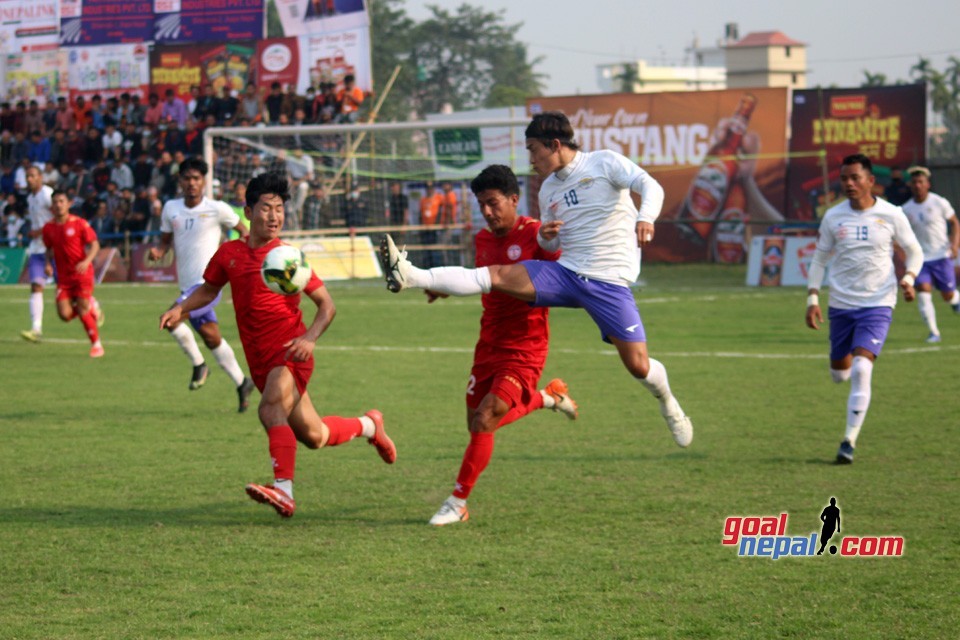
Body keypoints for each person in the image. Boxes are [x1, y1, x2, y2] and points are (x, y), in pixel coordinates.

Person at [380, 111, 693, 449]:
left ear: (554, 145)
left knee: (637, 365)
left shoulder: (604, 163)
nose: (530, 160)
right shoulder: (548, 191)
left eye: (532, 150)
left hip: (608, 282)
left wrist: (646, 217)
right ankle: (411, 274)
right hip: (568, 272)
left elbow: (650, 185)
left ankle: (669, 404)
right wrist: (546, 237)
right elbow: (550, 246)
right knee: (496, 275)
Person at [159, 172, 396, 518]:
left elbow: (327, 305)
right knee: (314, 436)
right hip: (258, 359)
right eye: (267, 208)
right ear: (249, 212)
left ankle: (284, 491)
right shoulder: (230, 254)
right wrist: (180, 307)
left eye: (280, 209)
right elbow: (209, 289)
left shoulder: (288, 257)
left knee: (269, 409)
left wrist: (309, 338)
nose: (274, 216)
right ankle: (370, 425)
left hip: (291, 352)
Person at [427, 165, 579, 526]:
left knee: (485, 418)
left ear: (514, 199)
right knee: (477, 425)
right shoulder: (482, 239)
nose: (488, 212)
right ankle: (546, 398)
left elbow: (559, 269)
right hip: (488, 343)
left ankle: (457, 502)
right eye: (481, 205)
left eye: (493, 203)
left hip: (526, 346)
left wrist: (551, 242)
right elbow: (479, 277)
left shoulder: (535, 234)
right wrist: (443, 287)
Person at [805, 154, 924, 464]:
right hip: (841, 305)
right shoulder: (833, 216)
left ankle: (848, 441)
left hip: (878, 303)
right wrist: (813, 298)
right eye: (844, 178)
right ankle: (842, 377)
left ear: (871, 181)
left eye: (855, 178)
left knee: (861, 368)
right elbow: (819, 258)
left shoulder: (891, 214)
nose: (849, 183)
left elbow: (914, 251)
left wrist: (909, 278)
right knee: (839, 374)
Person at [149, 157, 255, 412]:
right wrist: (159, 251)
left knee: (171, 319)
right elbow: (165, 241)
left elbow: (245, 233)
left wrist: (236, 257)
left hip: (208, 285)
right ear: (180, 181)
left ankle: (199, 365)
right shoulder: (171, 208)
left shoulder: (217, 209)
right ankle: (242, 382)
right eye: (187, 178)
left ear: (204, 181)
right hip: (186, 285)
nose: (192, 183)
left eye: (197, 178)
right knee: (211, 337)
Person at [900, 165, 960, 342]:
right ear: (910, 185)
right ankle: (934, 332)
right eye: (914, 182)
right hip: (920, 259)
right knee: (924, 292)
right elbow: (901, 237)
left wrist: (954, 245)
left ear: (927, 184)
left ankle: (955, 300)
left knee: (947, 295)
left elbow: (955, 223)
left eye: (921, 182)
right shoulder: (906, 209)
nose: (917, 185)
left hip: (941, 256)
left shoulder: (939, 202)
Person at [42, 190, 104, 358]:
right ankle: (91, 306)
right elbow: (49, 249)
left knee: (82, 308)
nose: (58, 205)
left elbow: (95, 245)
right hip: (63, 277)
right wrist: (48, 263)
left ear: (68, 203)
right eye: (55, 202)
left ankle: (96, 345)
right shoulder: (48, 228)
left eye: (62, 201)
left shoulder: (80, 224)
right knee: (65, 315)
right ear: (52, 206)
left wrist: (86, 261)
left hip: (82, 274)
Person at [20, 166, 54, 341]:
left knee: (69, 289)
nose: (29, 179)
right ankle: (36, 328)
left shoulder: (48, 194)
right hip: (36, 248)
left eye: (32, 175)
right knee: (36, 286)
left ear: (41, 177)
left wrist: (40, 231)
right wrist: (33, 232)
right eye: (27, 176)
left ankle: (92, 306)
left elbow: (58, 217)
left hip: (54, 248)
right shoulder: (30, 198)